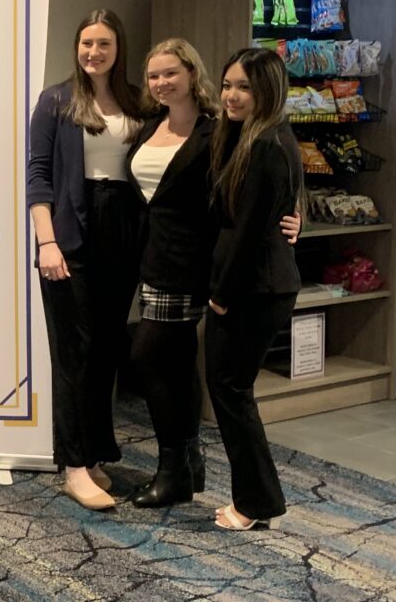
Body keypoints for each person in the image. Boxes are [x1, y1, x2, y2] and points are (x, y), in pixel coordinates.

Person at [125, 39, 300, 508]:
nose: (161, 82)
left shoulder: (219, 130)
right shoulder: (151, 126)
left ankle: (180, 465)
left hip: (194, 263)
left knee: (150, 355)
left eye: (171, 73)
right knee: (173, 361)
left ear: (191, 74)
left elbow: (259, 194)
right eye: (154, 75)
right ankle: (186, 463)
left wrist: (291, 218)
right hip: (152, 259)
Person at [27, 9, 147, 510]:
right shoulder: (56, 100)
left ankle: (95, 453)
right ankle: (73, 465)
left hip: (123, 231)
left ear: (119, 49)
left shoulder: (139, 101)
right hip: (69, 234)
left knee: (105, 351)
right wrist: (46, 242)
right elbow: (37, 174)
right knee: (73, 353)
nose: (94, 52)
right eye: (86, 43)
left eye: (104, 44)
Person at [206, 47, 302, 530]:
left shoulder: (266, 144)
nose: (232, 95)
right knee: (230, 389)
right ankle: (258, 497)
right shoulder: (253, 136)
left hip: (254, 290)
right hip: (256, 286)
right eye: (227, 85)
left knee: (230, 389)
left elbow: (248, 233)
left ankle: (254, 503)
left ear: (267, 90)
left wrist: (221, 295)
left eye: (244, 87)